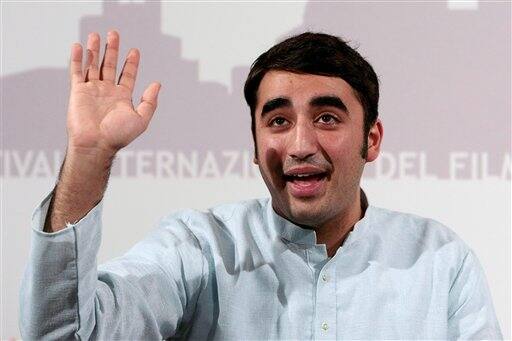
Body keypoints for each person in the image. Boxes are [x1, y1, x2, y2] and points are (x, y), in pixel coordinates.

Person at [19, 30, 502, 340]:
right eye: (277, 121)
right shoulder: (200, 248)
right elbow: (63, 335)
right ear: (254, 146)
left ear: (371, 140)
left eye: (327, 118)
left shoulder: (440, 261)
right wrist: (88, 157)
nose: (300, 145)